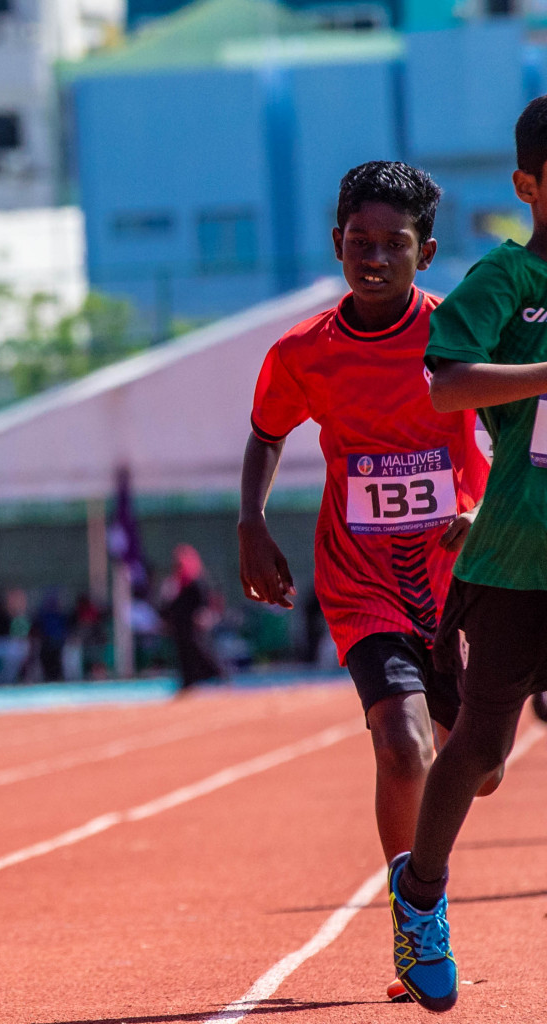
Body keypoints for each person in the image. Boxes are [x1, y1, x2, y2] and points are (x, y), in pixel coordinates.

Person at [236, 161, 496, 1003]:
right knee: (402, 745)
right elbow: (267, 430)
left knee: (478, 765)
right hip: (361, 580)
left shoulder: (458, 333)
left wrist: (486, 517)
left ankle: (427, 860)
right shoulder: (305, 351)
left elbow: (517, 432)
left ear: (425, 251)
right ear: (336, 244)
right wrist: (252, 522)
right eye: (359, 242)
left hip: (464, 572)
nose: (374, 257)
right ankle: (418, 914)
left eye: (394, 244)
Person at [386, 98, 547, 1013]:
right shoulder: (507, 277)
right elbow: (447, 385)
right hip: (521, 556)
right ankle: (420, 894)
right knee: (483, 748)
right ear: (528, 185)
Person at [160, 544, 222, 691]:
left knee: (200, 651)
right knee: (183, 655)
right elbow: (168, 604)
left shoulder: (196, 581)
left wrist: (203, 616)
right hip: (180, 626)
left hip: (194, 626)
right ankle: (188, 681)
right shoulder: (174, 583)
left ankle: (216, 675)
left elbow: (204, 601)